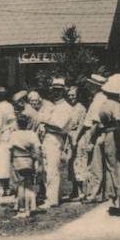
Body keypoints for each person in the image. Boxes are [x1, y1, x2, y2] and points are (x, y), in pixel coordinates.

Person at [88, 75, 120, 214]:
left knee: (111, 169)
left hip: (108, 136)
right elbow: (119, 121)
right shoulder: (115, 105)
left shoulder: (104, 104)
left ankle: (114, 201)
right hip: (116, 137)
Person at [38, 77, 73, 208]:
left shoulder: (65, 107)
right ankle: (53, 195)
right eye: (54, 90)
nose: (55, 93)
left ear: (63, 91)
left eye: (58, 90)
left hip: (55, 138)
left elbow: (59, 126)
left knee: (52, 169)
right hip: (48, 138)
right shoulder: (54, 106)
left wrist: (44, 123)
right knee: (47, 169)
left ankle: (51, 199)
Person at [77, 74, 107, 203]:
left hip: (94, 133)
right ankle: (99, 193)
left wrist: (90, 141)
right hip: (98, 132)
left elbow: (95, 123)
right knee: (97, 165)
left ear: (96, 87)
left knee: (95, 166)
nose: (88, 87)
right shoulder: (100, 98)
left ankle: (94, 193)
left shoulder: (98, 100)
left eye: (91, 85)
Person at [10, 111, 42, 218]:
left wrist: (11, 162)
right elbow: (37, 149)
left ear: (17, 124)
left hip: (18, 160)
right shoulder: (32, 134)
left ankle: (22, 209)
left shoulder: (14, 134)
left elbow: (10, 149)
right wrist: (37, 161)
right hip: (29, 161)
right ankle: (29, 208)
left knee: (20, 186)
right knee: (28, 185)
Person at [0, 86, 17, 197]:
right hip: (8, 135)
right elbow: (12, 121)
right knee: (6, 161)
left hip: (0, 136)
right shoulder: (10, 106)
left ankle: (0, 188)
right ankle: (6, 187)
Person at [65, 85, 87, 200]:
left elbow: (82, 125)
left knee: (79, 163)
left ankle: (81, 191)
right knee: (71, 163)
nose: (71, 97)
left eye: (73, 95)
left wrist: (75, 138)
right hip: (69, 137)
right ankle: (74, 190)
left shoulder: (81, 108)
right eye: (69, 95)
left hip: (78, 138)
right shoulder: (69, 108)